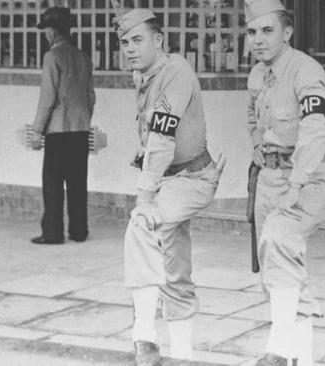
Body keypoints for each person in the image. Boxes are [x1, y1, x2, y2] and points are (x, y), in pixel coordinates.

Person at [113, 8, 225, 366]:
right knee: (175, 268)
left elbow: (163, 134)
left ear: (159, 39)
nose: (130, 48)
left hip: (192, 179)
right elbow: (155, 135)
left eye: (138, 40)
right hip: (170, 179)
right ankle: (183, 356)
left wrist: (144, 196)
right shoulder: (144, 74)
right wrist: (144, 154)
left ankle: (144, 337)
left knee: (141, 225)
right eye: (124, 42)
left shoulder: (175, 72)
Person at [244, 0, 325, 365]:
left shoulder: (306, 71)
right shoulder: (257, 75)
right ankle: (297, 355)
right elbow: (251, 118)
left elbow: (316, 134)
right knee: (276, 268)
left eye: (267, 31)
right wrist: (256, 145)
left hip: (311, 179)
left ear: (287, 33)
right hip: (268, 178)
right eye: (252, 32)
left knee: (279, 240)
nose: (258, 39)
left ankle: (279, 351)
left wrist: (295, 185)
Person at [29, 6, 96, 245]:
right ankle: (79, 231)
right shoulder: (83, 57)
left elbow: (47, 99)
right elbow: (90, 97)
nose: (45, 34)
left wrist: (37, 131)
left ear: (53, 31)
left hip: (57, 132)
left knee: (53, 183)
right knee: (78, 182)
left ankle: (53, 233)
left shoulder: (52, 57)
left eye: (46, 29)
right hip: (80, 130)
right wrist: (83, 121)